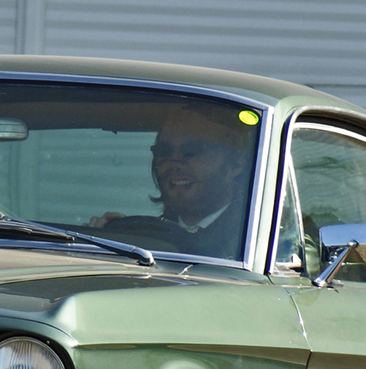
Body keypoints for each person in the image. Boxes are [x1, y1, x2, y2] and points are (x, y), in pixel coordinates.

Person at [89, 106, 253, 258]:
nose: (174, 162)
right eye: (164, 151)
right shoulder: (146, 237)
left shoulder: (251, 242)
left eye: (191, 151)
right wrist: (101, 240)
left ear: (236, 164)